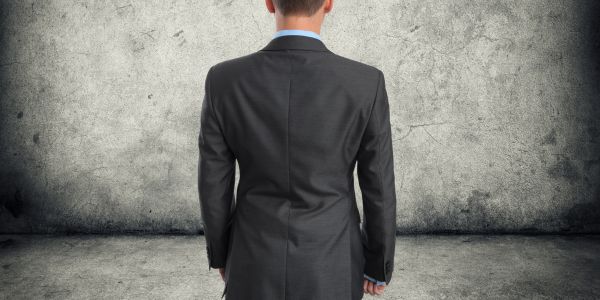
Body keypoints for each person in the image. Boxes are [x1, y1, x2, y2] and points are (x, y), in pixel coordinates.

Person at [198, 0, 397, 298]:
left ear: (269, 3)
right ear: (328, 3)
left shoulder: (224, 80)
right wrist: (378, 264)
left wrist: (223, 255)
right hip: (332, 262)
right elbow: (378, 187)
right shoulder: (365, 83)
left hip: (253, 259)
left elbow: (213, 185)